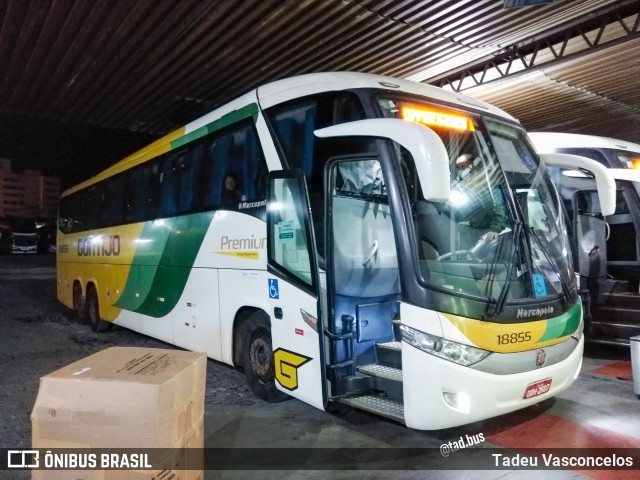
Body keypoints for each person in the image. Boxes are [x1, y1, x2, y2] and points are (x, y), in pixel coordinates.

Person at [452, 154, 507, 245]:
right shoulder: (463, 186)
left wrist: (494, 229)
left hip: (485, 231)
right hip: (474, 228)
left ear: (471, 165)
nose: (461, 170)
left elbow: (497, 208)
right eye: (458, 168)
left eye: (463, 166)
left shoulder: (481, 184)